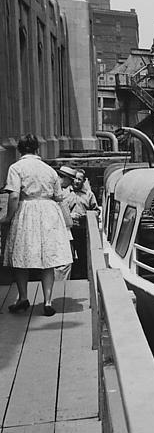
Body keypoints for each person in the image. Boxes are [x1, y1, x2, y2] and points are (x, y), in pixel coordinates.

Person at [1, 134, 72, 316]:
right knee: (47, 258)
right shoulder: (49, 170)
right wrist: (66, 220)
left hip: (27, 210)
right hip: (48, 211)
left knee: (21, 256)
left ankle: (23, 297)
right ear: (37, 149)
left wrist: (8, 217)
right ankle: (48, 302)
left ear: (20, 150)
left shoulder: (16, 168)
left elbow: (14, 195)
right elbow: (59, 196)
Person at [62, 167, 97, 280]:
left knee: (83, 255)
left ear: (84, 180)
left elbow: (96, 211)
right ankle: (68, 280)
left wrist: (86, 216)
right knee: (68, 256)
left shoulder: (89, 195)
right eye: (75, 179)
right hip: (68, 230)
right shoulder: (64, 193)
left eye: (79, 179)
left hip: (83, 230)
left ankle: (84, 277)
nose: (77, 181)